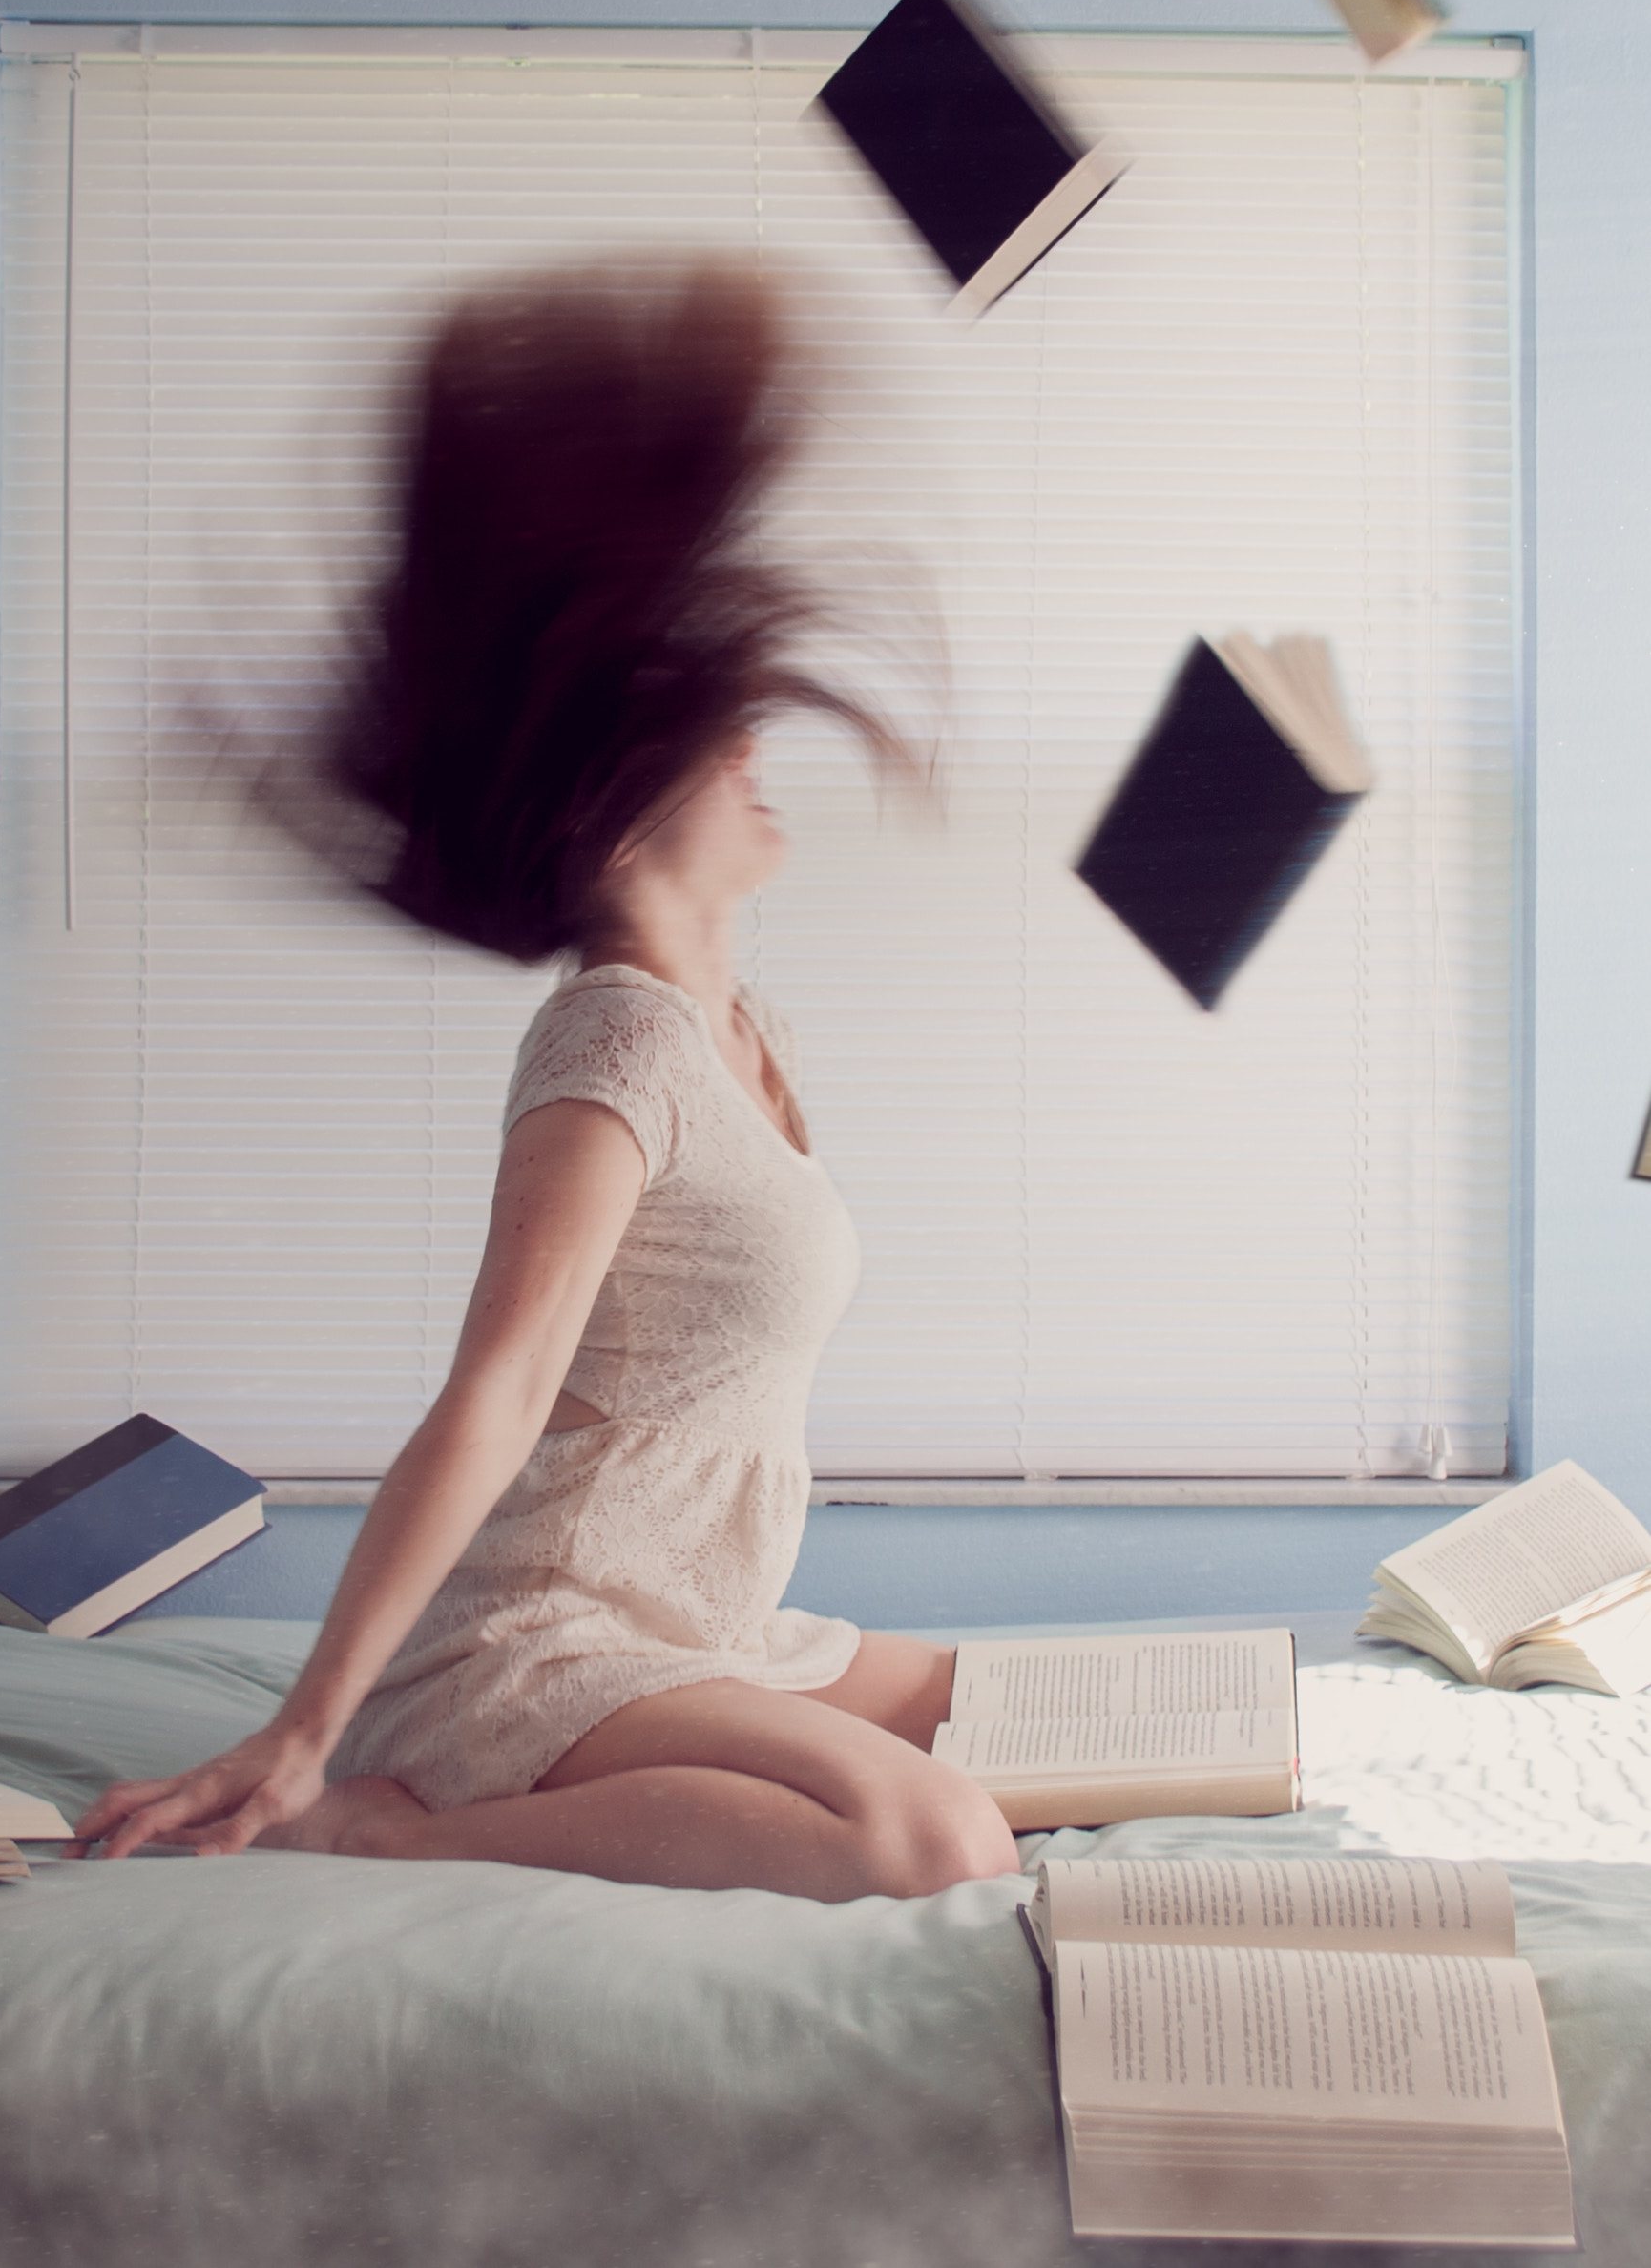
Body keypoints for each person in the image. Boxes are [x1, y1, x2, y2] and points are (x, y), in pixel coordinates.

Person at [73, 257, 1020, 1901]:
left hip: (699, 1621)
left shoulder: (748, 1029)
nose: (753, 752)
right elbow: (496, 1391)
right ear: (614, 801)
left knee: (1040, 1718)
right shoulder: (615, 1045)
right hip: (549, 1632)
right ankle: (383, 1816)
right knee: (930, 1839)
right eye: (716, 740)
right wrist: (306, 1727)